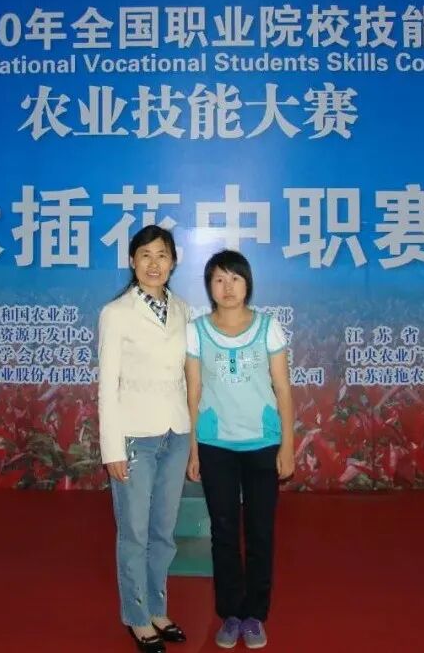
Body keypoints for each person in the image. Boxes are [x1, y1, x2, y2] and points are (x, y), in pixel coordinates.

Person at [185, 249, 295, 650]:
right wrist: (194, 450)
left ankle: (255, 615)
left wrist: (288, 446)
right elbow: (193, 391)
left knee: (261, 531)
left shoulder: (268, 327)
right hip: (216, 445)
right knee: (224, 531)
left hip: (263, 444)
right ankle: (230, 613)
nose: (227, 287)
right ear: (209, 287)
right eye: (218, 279)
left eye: (234, 278)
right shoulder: (196, 331)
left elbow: (283, 388)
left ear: (247, 283)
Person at [98, 226, 191, 653]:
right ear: (132, 261)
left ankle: (158, 608)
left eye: (162, 255)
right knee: (134, 533)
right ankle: (136, 617)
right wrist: (112, 449)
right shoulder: (116, 313)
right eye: (146, 255)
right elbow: (107, 386)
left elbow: (188, 377)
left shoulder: (183, 309)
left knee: (163, 531)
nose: (154, 263)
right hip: (135, 437)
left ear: (173, 262)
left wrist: (192, 438)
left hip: (175, 434)